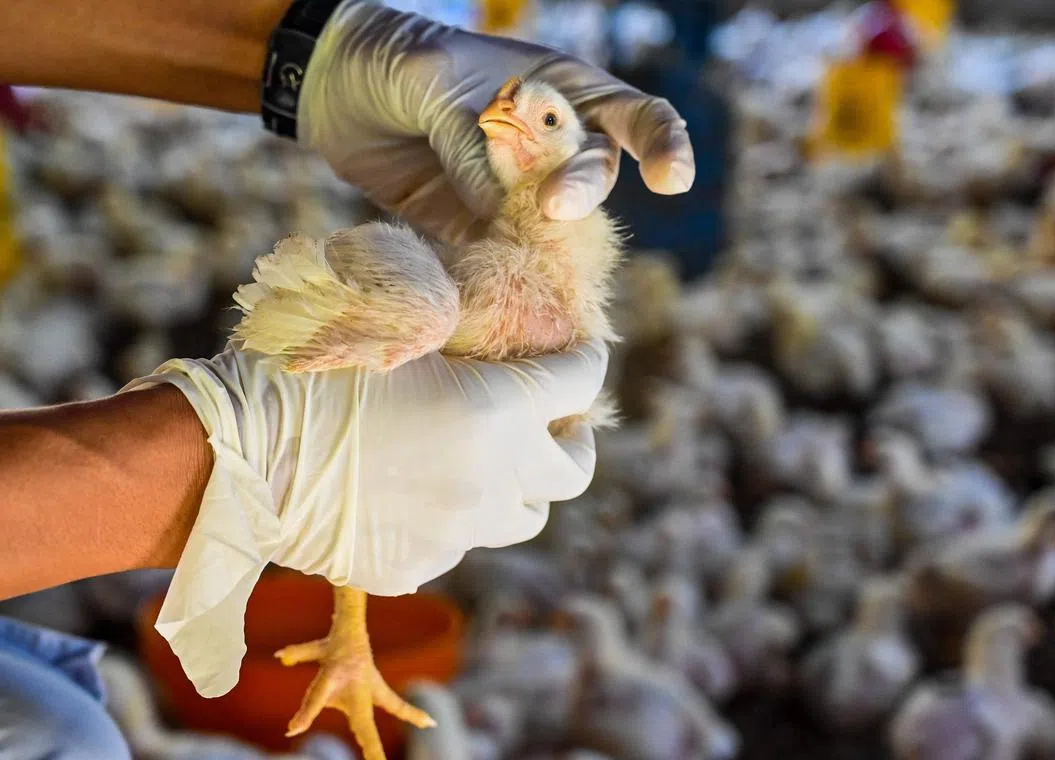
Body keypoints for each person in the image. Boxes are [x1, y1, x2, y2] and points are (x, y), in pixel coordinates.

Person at [0, 0, 695, 756]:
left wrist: (306, 57)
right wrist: (231, 459)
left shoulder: (557, 278)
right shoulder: (435, 295)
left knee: (67, 733)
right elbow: (345, 437)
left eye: (546, 123)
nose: (502, 114)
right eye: (508, 109)